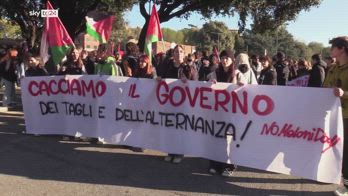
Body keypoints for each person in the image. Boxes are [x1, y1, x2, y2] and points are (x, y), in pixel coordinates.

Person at [207, 50, 246, 177]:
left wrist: (242, 85)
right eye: (222, 58)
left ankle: (230, 166)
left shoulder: (238, 73)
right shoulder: (215, 73)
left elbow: (248, 88)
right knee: (216, 138)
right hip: (217, 112)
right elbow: (206, 83)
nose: (224, 60)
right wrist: (210, 83)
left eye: (227, 58)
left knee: (230, 140)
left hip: (232, 113)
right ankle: (215, 164)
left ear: (232, 60)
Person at [161, 45, 197, 164]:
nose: (179, 54)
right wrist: (158, 79)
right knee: (170, 127)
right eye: (176, 51)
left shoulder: (188, 67)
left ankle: (179, 152)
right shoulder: (168, 65)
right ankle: (170, 151)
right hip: (169, 101)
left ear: (184, 54)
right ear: (173, 54)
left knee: (180, 128)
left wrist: (187, 80)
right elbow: (162, 78)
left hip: (183, 102)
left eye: (181, 52)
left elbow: (195, 82)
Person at [322, 36, 348, 196]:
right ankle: (342, 182)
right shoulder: (332, 68)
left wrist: (343, 93)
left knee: (346, 152)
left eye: (333, 47)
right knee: (336, 149)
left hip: (346, 116)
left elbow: (341, 92)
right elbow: (325, 87)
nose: (330, 50)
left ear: (342, 49)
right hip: (333, 115)